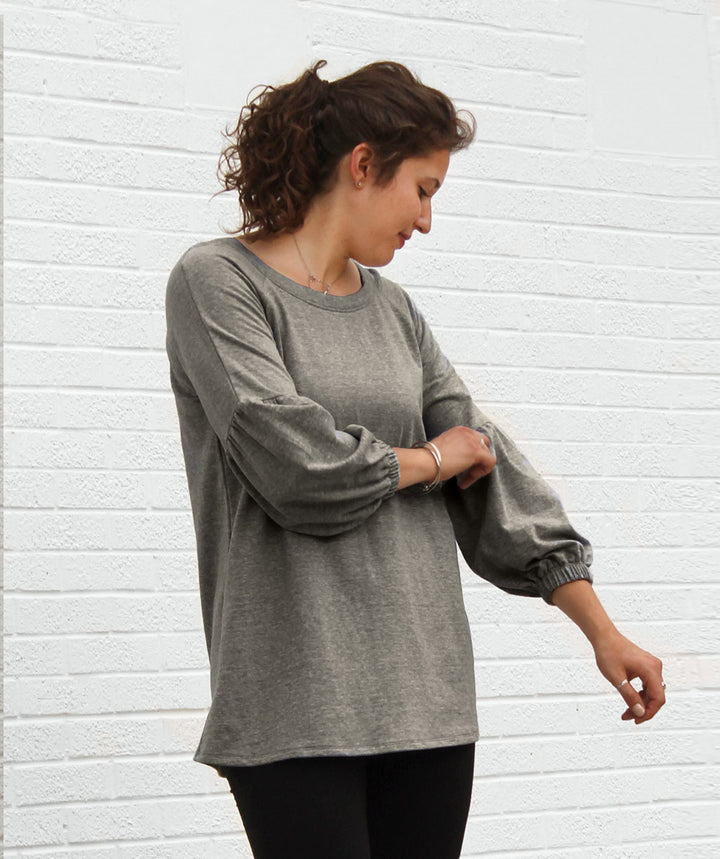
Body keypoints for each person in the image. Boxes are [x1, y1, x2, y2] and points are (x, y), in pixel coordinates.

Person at [164, 58, 665, 859]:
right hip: (295, 704)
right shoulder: (218, 282)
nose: (427, 220)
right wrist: (430, 459)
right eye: (423, 190)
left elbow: (492, 471)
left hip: (427, 698)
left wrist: (602, 630)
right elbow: (292, 465)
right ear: (364, 164)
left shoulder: (394, 311)